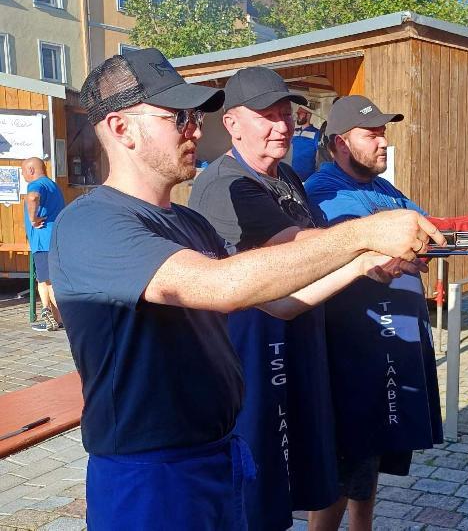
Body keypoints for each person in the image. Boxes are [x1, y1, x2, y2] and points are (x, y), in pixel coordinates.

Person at [50, 48, 444, 530]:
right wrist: (363, 233)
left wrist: (364, 264)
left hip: (220, 452)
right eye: (177, 116)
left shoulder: (189, 223)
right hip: (151, 472)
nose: (194, 128)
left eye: (194, 115)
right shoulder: (92, 222)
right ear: (119, 128)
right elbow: (221, 287)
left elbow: (275, 303)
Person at [189, 67, 423, 531]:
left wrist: (368, 262)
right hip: (253, 362)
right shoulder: (225, 184)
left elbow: (319, 260)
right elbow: (298, 249)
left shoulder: (289, 179)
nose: (282, 125)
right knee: (258, 489)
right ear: (232, 123)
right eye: (267, 117)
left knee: (303, 478)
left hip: (297, 343)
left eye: (286, 114)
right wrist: (369, 242)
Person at [304, 95, 444, 531]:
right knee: (342, 476)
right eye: (372, 134)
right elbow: (374, 245)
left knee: (369, 470)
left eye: (384, 132)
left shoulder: (382, 189)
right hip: (356, 356)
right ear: (342, 143)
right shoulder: (324, 192)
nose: (383, 142)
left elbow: (422, 232)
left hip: (391, 350)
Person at [21, 157, 65, 332]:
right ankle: (54, 317)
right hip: (55, 239)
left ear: (31, 170)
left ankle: (58, 319)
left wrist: (33, 219)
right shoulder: (53, 185)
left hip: (42, 241)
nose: (24, 176)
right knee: (49, 279)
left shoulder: (36, 185)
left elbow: (32, 197)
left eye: (24, 171)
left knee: (46, 280)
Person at [291, 106, 321, 181]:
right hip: (293, 173)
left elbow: (319, 155)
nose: (297, 115)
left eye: (299, 113)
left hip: (309, 175)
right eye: (297, 113)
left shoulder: (316, 133)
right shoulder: (295, 131)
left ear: (308, 115)